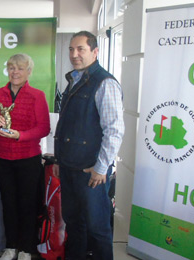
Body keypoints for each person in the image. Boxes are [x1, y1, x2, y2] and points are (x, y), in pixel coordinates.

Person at [53, 31, 124, 260]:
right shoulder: (75, 79)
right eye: (71, 49)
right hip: (70, 167)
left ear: (95, 52)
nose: (74, 54)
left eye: (80, 49)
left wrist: (102, 168)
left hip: (92, 171)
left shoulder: (105, 83)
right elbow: (68, 126)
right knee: (74, 224)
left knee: (97, 228)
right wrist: (59, 161)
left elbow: (114, 130)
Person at [0, 54, 50, 260]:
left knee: (28, 205)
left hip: (28, 159)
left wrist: (21, 136)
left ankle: (26, 249)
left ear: (29, 72)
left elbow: (44, 128)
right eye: (12, 68)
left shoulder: (37, 95)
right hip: (2, 158)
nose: (15, 72)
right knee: (8, 203)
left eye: (20, 68)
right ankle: (11, 246)